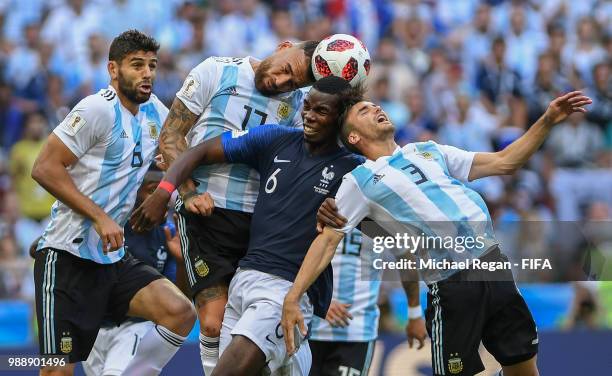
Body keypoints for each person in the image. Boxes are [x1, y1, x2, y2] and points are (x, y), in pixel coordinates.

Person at [282, 91, 592, 376]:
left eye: (374, 105)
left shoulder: (427, 150)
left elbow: (504, 161)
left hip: (494, 266)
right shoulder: (359, 181)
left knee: (523, 370)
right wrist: (294, 297)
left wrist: (547, 119)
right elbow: (327, 241)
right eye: (364, 111)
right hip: (451, 284)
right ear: (353, 135)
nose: (376, 107)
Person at [132, 77, 405, 375]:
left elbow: (395, 230)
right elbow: (199, 152)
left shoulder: (353, 170)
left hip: (285, 291)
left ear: (339, 119)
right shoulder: (274, 139)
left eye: (321, 111)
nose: (309, 116)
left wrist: (354, 218)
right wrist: (165, 191)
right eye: (308, 106)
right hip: (243, 281)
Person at [31, 30, 195, 376]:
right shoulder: (96, 109)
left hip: (112, 260)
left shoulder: (155, 113)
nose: (147, 73)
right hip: (66, 257)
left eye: (152, 65)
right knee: (57, 371)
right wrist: (100, 217)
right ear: (113, 69)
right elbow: (44, 168)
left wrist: (172, 177)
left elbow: (176, 149)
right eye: (137, 65)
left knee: (179, 311)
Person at [152, 38, 320, 374]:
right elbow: (170, 137)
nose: (281, 83)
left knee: (247, 330)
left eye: (293, 82)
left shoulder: (300, 107)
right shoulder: (218, 70)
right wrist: (187, 193)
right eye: (285, 70)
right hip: (205, 211)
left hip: (260, 223)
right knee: (213, 323)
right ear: (283, 45)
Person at [82, 166, 183, 376]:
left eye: (169, 193)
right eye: (156, 191)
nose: (166, 200)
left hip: (135, 327)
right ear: (137, 189)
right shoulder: (108, 223)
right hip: (93, 327)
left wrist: (182, 262)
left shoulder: (169, 234)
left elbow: (179, 301)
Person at [308, 228, 427, 376]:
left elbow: (405, 258)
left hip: (357, 333)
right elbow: (290, 257)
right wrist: (320, 299)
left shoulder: (377, 214)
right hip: (307, 330)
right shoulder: (316, 209)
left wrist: (415, 314)